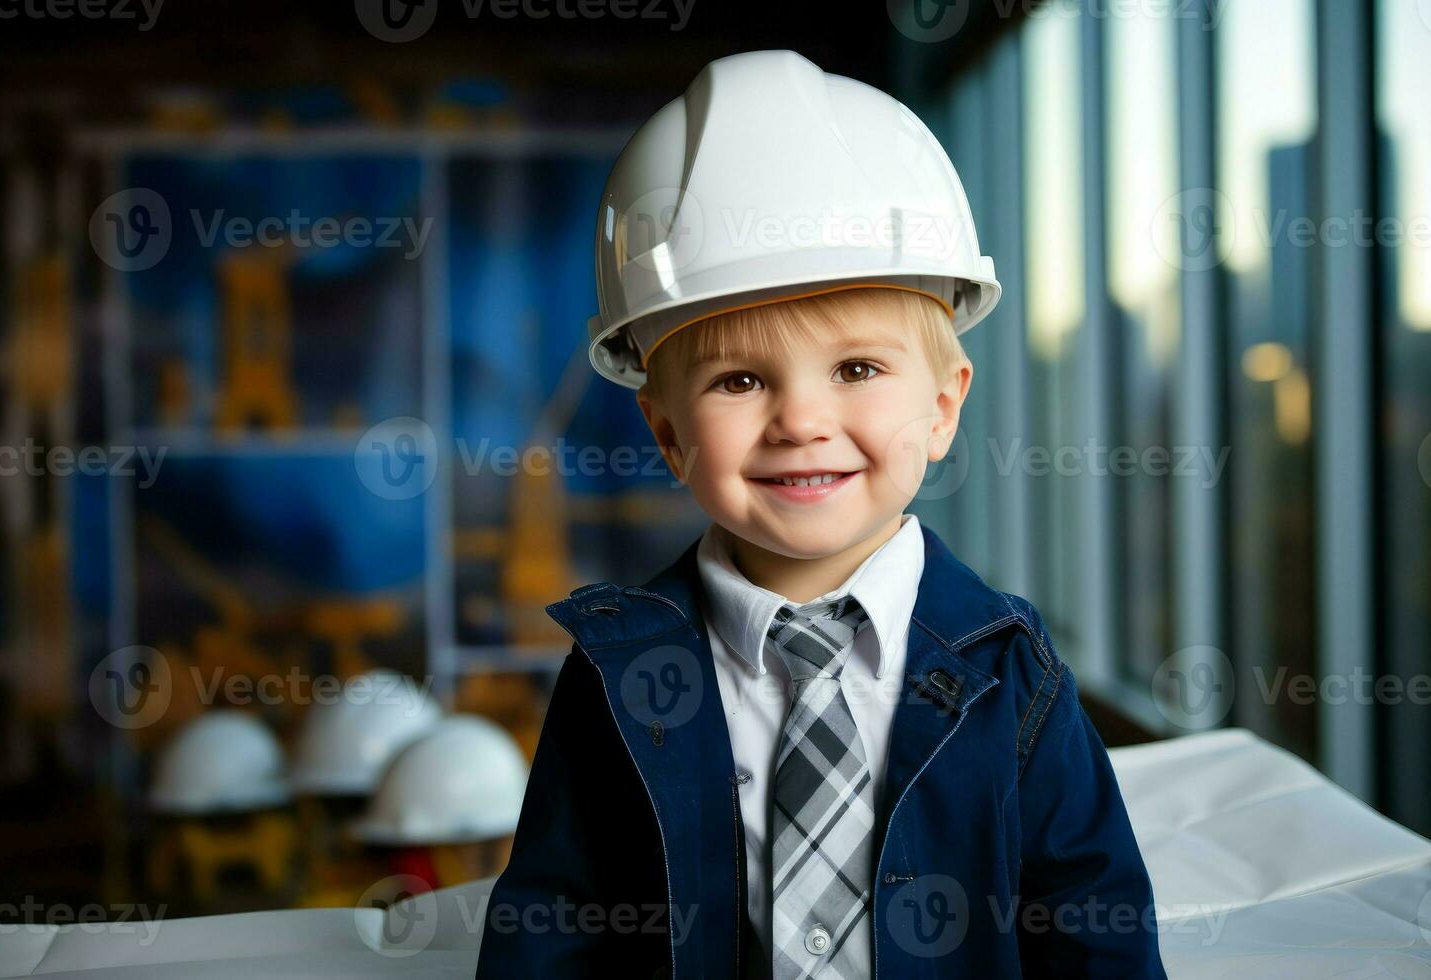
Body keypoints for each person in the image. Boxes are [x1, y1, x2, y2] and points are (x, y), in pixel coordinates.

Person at [475, 49, 1165, 979]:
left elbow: (1093, 921)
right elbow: (551, 926)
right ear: (669, 432)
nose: (801, 420)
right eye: (741, 379)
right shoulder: (620, 672)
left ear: (945, 406)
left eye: (857, 370)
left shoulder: (1012, 673)